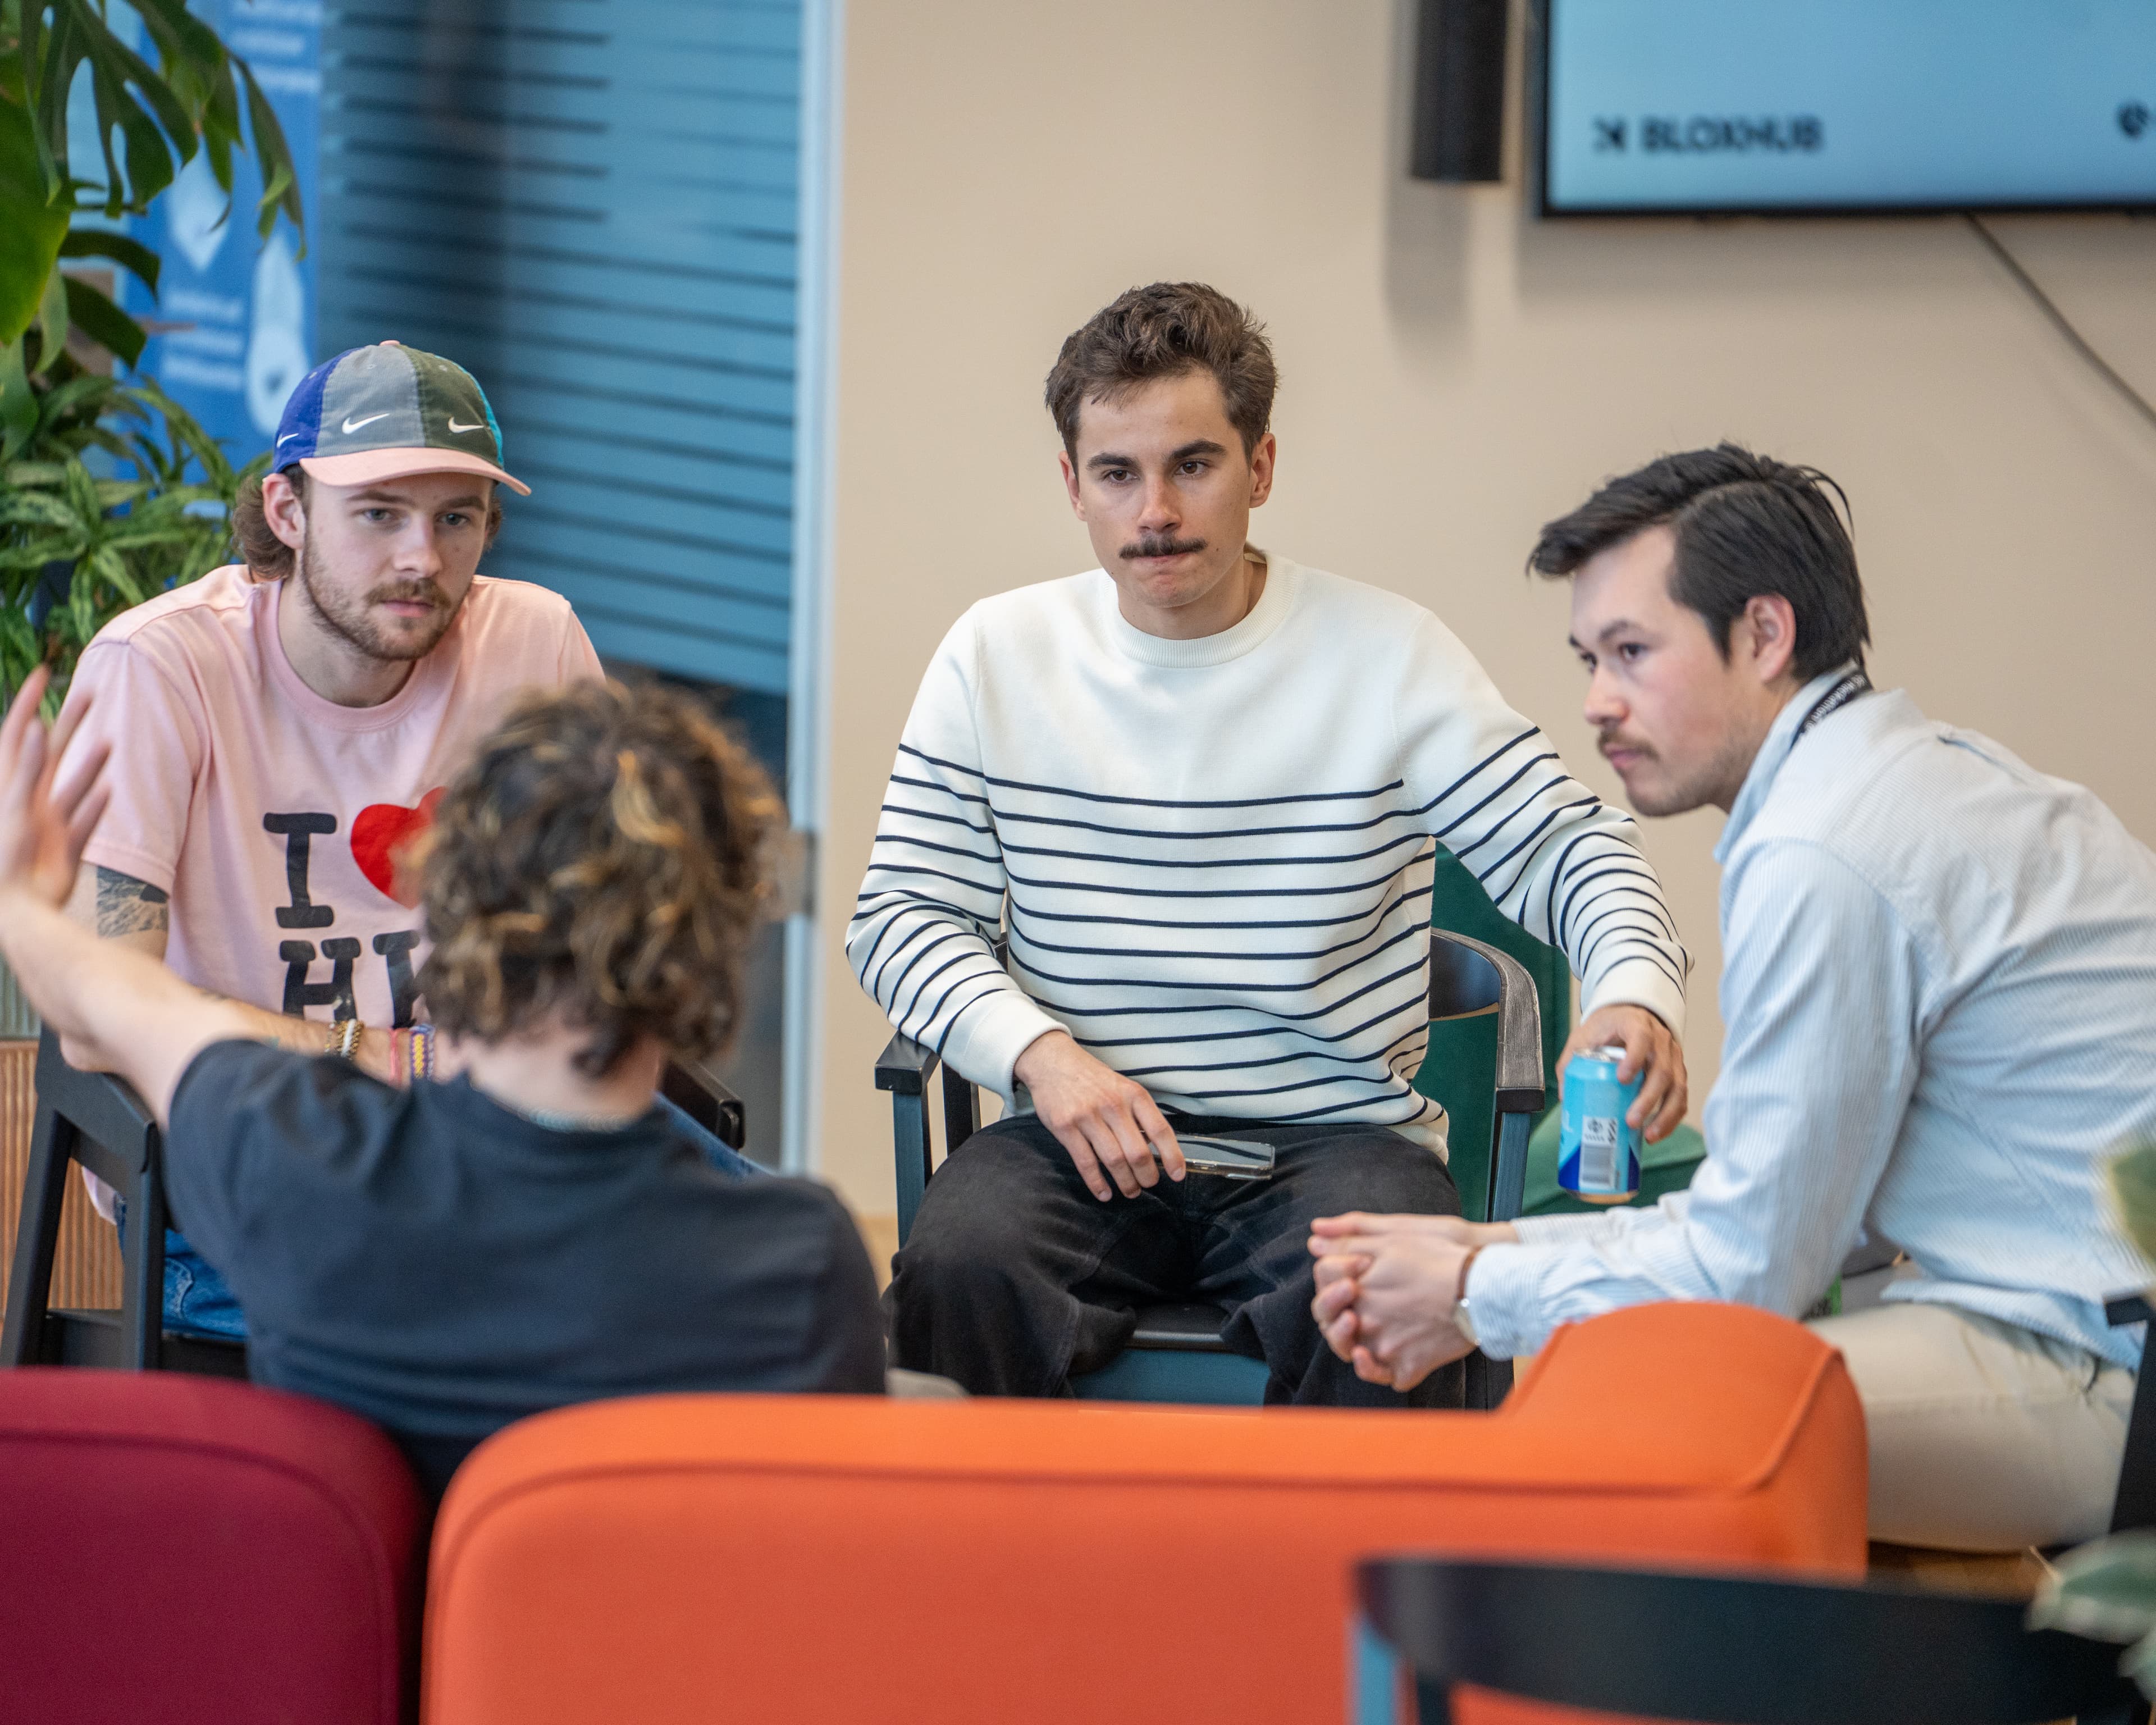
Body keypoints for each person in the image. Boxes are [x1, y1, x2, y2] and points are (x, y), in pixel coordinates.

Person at [851, 282, 1692, 1405]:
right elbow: (900, 914)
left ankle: (1347, 1588)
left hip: (1334, 1141)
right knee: (960, 1263)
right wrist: (1042, 1058)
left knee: (1395, 1294)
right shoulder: (995, 657)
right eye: (1117, 474)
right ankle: (990, 1583)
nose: (1155, 511)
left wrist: (1636, 992)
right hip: (1076, 1133)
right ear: (1073, 486)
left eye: (1193, 464)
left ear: (1261, 467)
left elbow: (1569, 846)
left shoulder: (1389, 657)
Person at [1309, 444, 2154, 1548]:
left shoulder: (1828, 847)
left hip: (2109, 1373)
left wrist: (1474, 1287)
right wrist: (1488, 1261)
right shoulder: (1903, 778)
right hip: (2059, 1312)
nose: (1598, 704)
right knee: (1633, 1359)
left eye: (1632, 654)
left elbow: (1754, 1269)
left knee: (1638, 1407)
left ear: (1764, 634)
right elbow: (1782, 1231)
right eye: (1589, 660)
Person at [3, 669, 885, 1497]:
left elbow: (105, 1001)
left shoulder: (296, 1167)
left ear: (452, 907)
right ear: (711, 957)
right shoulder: (801, 1267)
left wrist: (19, 907)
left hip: (378, 1662)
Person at [58, 339, 753, 1339]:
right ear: (289, 514)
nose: (422, 559)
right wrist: (384, 1058)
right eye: (379, 513)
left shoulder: (532, 640)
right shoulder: (162, 670)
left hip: (514, 1139)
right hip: (261, 1162)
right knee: (547, 1328)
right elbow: (98, 1016)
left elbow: (624, 931)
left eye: (455, 519)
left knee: (783, 1285)